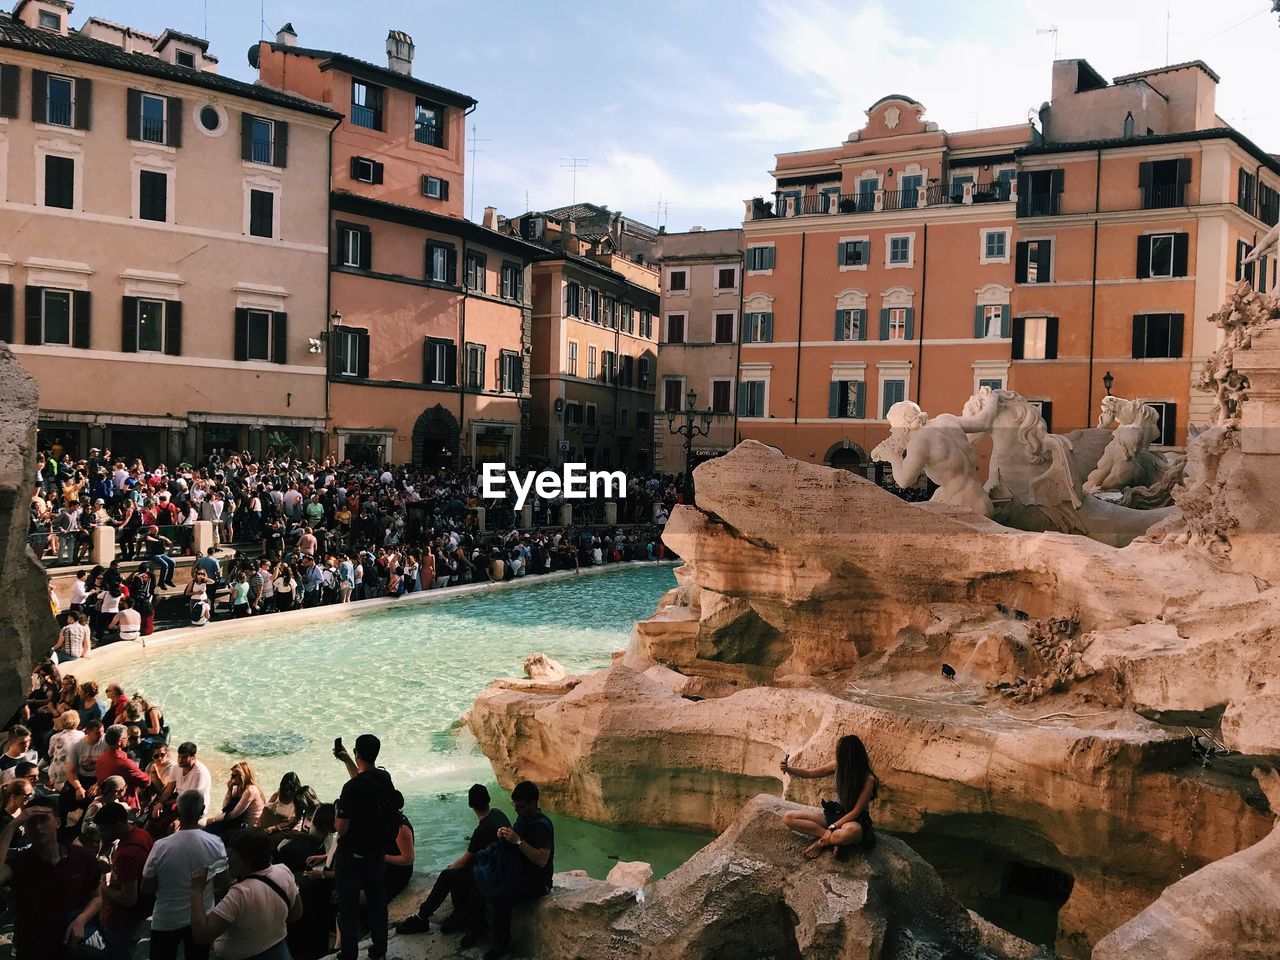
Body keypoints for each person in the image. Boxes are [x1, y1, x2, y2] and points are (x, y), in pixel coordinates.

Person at [397, 783, 510, 935]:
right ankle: (461, 912)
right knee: (456, 873)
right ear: (488, 799)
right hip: (501, 870)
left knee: (448, 875)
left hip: (491, 876)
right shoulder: (498, 814)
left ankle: (422, 917)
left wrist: (449, 868)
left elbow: (465, 860)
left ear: (470, 805)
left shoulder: (482, 830)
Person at [0, 797, 103, 958]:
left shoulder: (81, 857)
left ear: (58, 822)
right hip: (33, 949)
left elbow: (96, 897)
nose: (38, 827)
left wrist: (82, 919)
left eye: (44, 820)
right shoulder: (19, 862)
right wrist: (12, 824)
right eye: (31, 822)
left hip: (73, 946)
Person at [465, 781, 554, 960]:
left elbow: (542, 860)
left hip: (537, 880)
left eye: (520, 806)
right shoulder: (523, 818)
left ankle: (502, 944)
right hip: (517, 871)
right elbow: (515, 843)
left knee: (500, 897)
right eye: (515, 805)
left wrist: (518, 841)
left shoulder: (541, 826)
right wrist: (504, 836)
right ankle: (478, 928)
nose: (516, 810)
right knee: (476, 878)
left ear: (533, 804)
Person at [191, 827, 301, 960]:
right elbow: (296, 913)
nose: (228, 858)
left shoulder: (239, 894)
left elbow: (202, 935)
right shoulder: (284, 871)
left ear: (247, 858)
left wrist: (196, 891)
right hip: (278, 950)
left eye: (232, 853)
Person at [142, 790, 228, 960]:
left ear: (178, 810)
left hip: (166, 918)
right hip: (202, 917)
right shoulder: (216, 843)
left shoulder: (161, 846)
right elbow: (223, 882)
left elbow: (146, 888)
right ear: (202, 809)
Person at [333, 733, 395, 960]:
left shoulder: (350, 789)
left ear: (358, 752)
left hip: (352, 857)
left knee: (348, 909)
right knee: (378, 904)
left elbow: (342, 828)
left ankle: (348, 954)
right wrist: (348, 761)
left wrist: (335, 817)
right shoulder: (384, 779)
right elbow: (363, 782)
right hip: (376, 854)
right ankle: (380, 948)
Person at [780, 734, 879, 859]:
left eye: (839, 752)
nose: (836, 755)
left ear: (849, 756)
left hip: (854, 820)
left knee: (842, 835)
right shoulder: (837, 766)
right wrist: (789, 769)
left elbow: (856, 811)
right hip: (835, 813)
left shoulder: (867, 778)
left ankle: (822, 842)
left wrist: (832, 828)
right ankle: (830, 839)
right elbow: (809, 773)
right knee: (789, 817)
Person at [94, 801, 155, 960]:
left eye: (104, 830)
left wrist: (103, 888)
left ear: (119, 825)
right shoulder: (142, 834)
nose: (101, 834)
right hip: (140, 913)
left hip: (121, 921)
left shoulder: (126, 854)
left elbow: (128, 899)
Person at [95, 723, 152, 808]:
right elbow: (146, 781)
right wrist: (149, 774)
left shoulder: (101, 758)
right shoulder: (126, 763)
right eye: (126, 737)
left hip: (104, 799)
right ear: (119, 742)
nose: (128, 738)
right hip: (123, 804)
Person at [205, 762, 264, 835]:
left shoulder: (250, 791)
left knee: (213, 829)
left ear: (242, 776)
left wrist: (215, 819)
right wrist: (229, 790)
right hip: (239, 821)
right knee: (211, 828)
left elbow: (234, 814)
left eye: (233, 776)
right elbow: (225, 808)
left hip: (249, 826)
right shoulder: (238, 789)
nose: (231, 779)